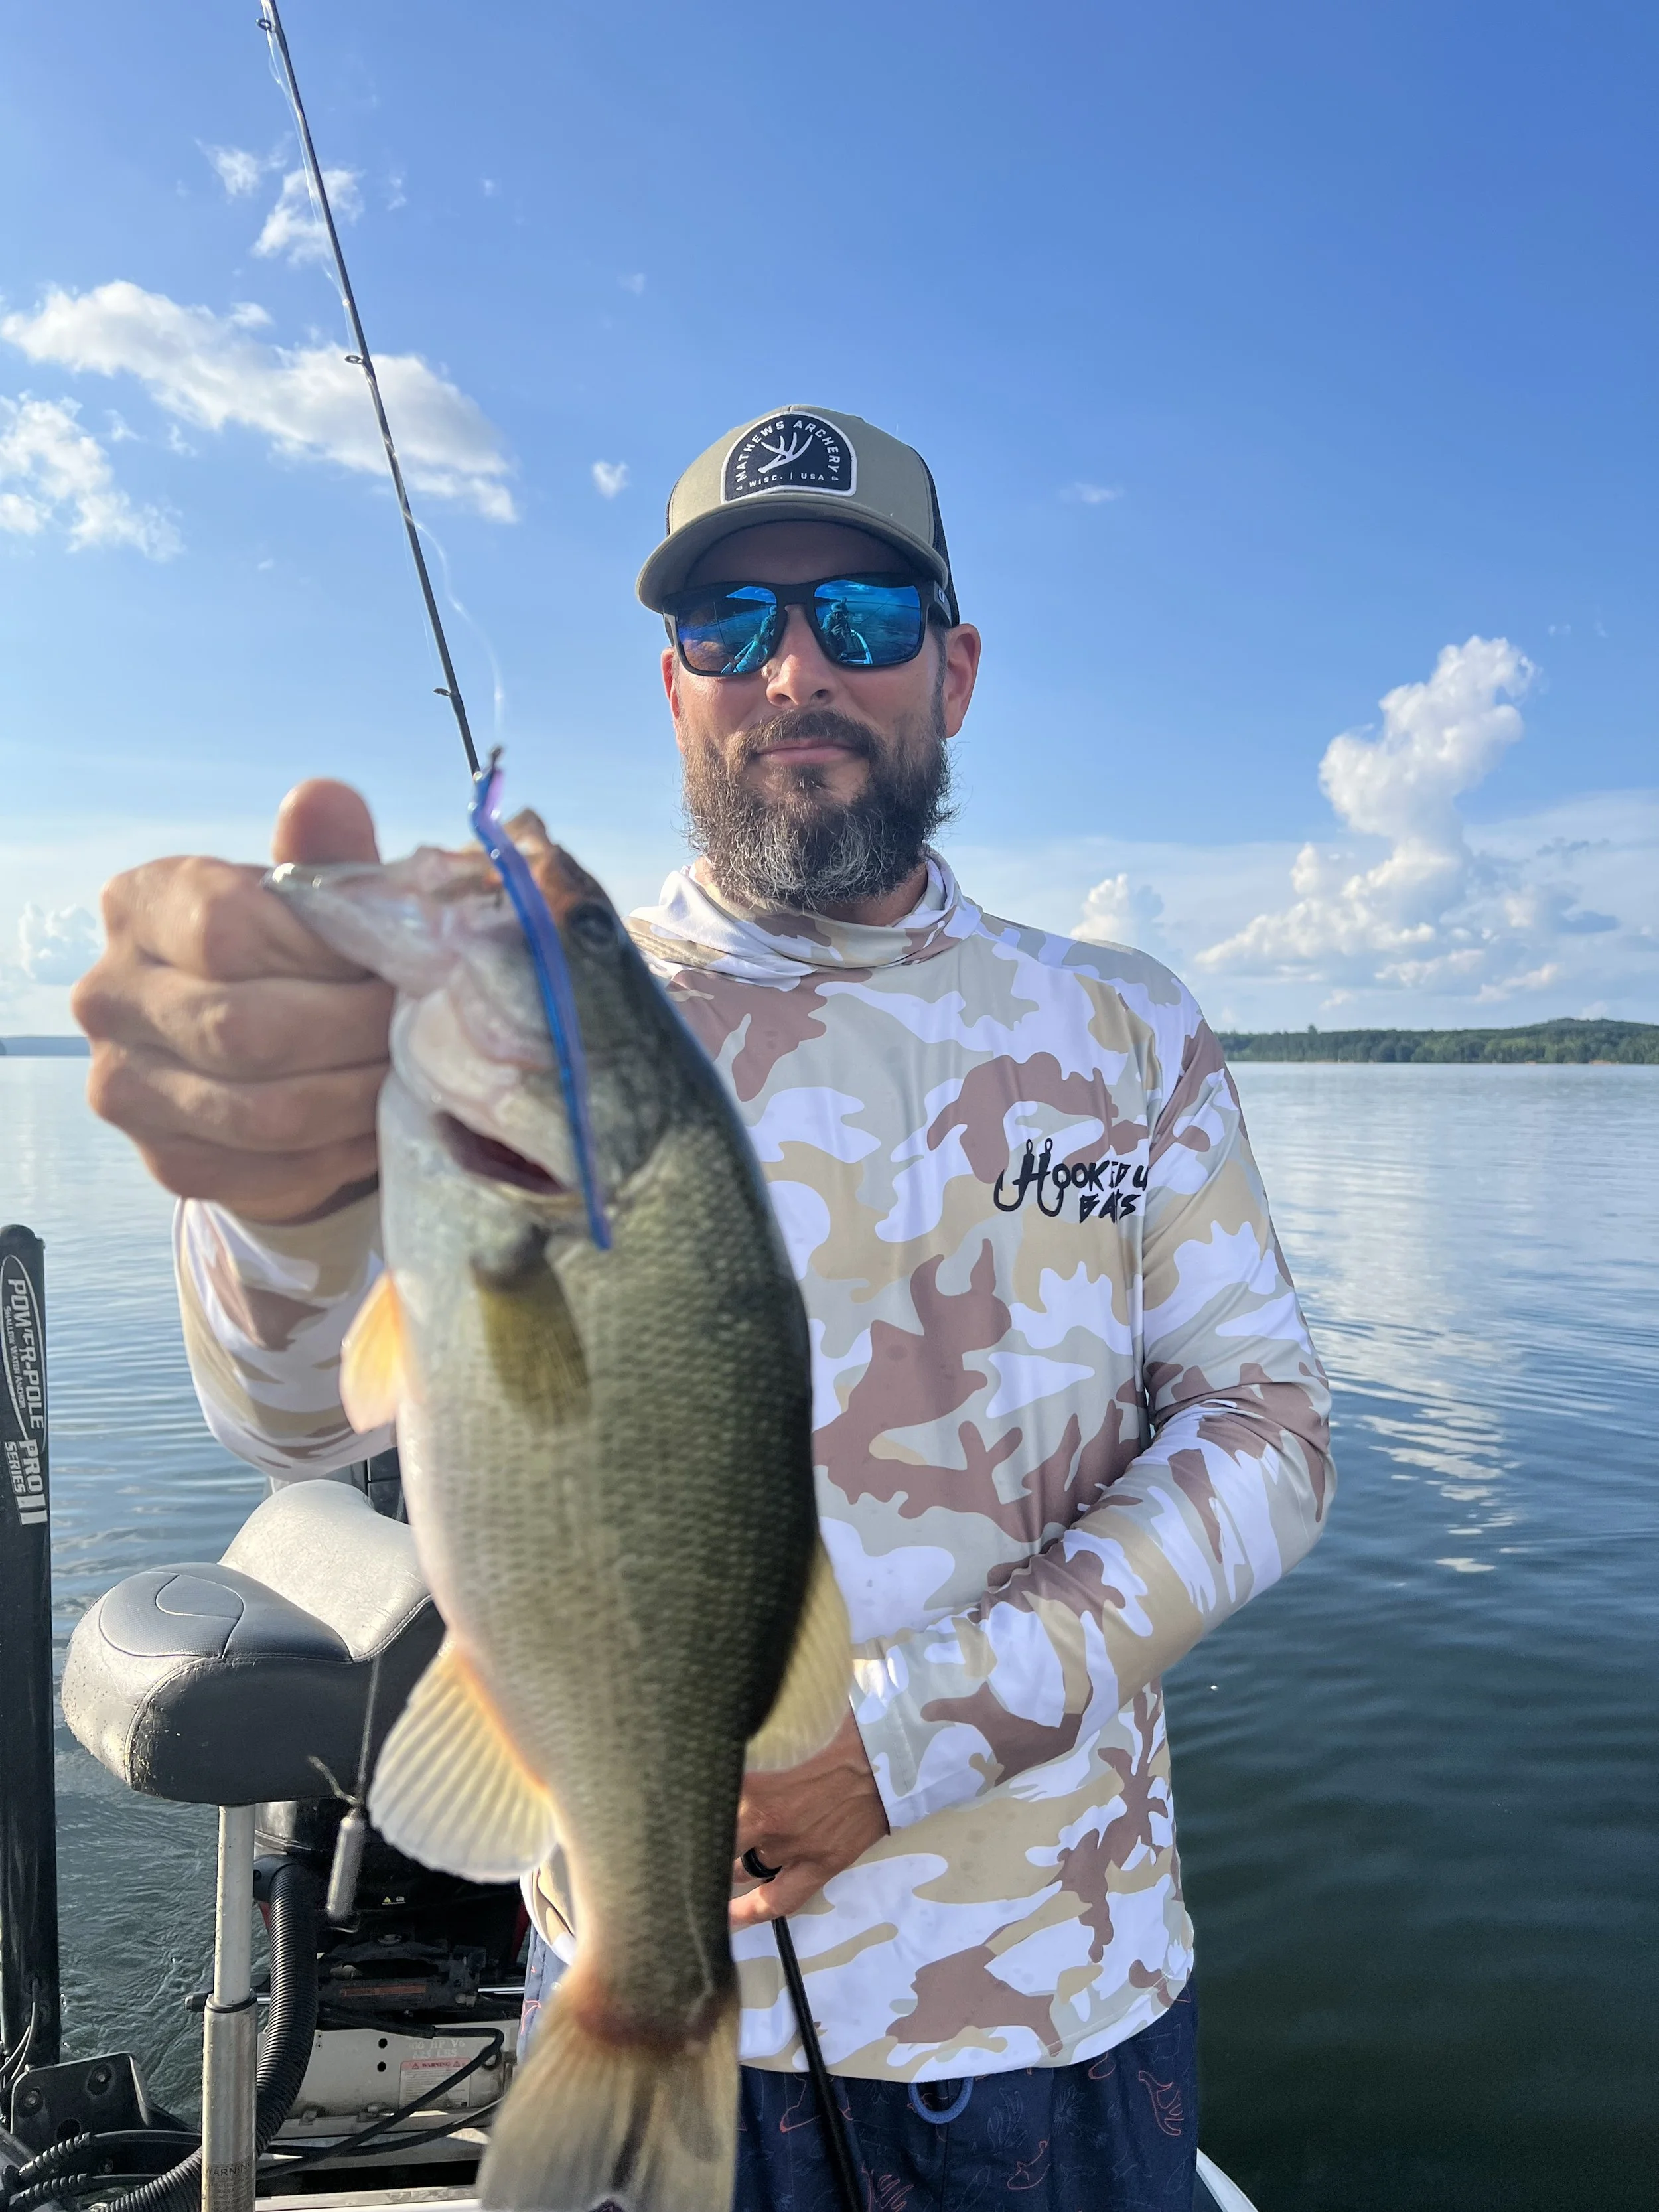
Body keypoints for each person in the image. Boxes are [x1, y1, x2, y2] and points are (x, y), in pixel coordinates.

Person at [74, 405, 1334, 2211]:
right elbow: (283, 1411)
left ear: (953, 672)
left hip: (1057, 1985)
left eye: (864, 621)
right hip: (649, 1977)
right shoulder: (522, 1018)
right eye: (729, 626)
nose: (794, 669)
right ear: (673, 686)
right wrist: (272, 1206)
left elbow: (1268, 1435)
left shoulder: (1122, 1026)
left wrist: (895, 1741)